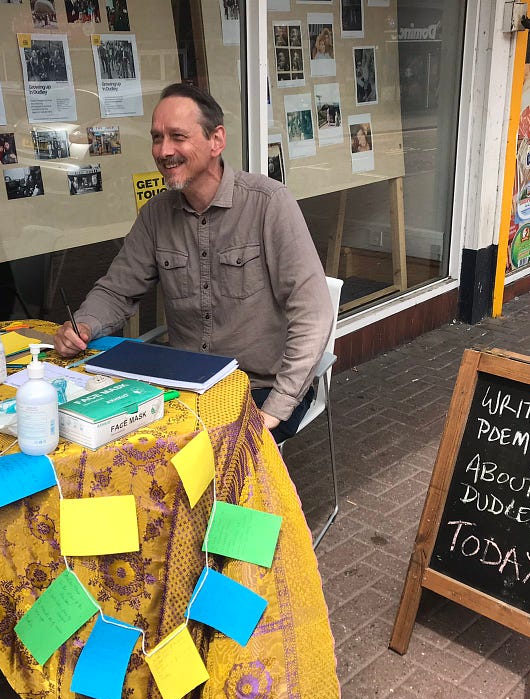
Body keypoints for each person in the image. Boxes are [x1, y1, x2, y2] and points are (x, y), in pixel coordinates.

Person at [52, 83, 332, 441]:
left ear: (216, 140)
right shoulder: (156, 214)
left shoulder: (268, 204)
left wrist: (276, 408)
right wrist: (85, 325)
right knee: (99, 434)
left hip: (258, 387)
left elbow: (313, 312)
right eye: (157, 138)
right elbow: (117, 290)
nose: (164, 150)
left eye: (177, 137)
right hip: (183, 385)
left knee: (199, 463)